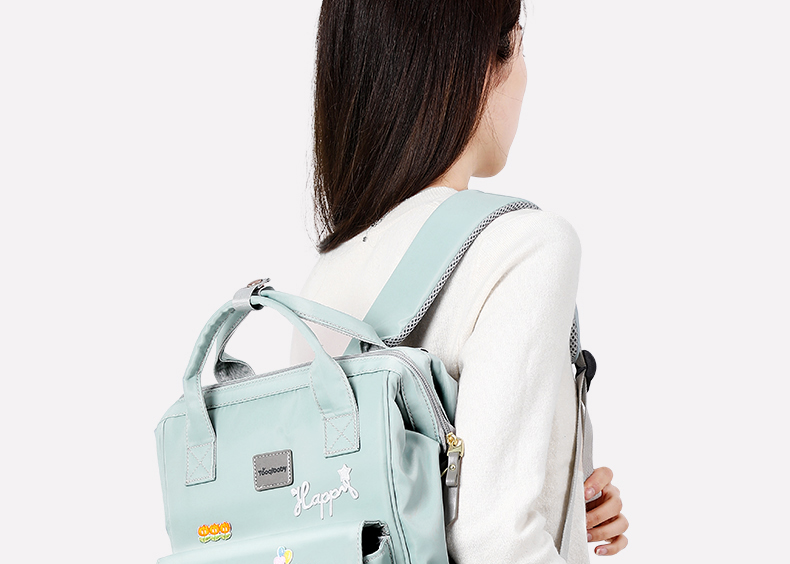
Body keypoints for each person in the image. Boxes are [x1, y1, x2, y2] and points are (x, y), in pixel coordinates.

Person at [290, 1, 628, 562]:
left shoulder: (321, 280)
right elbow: (495, 539)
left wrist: (561, 501)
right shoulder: (526, 247)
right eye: (518, 44)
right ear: (476, 63)